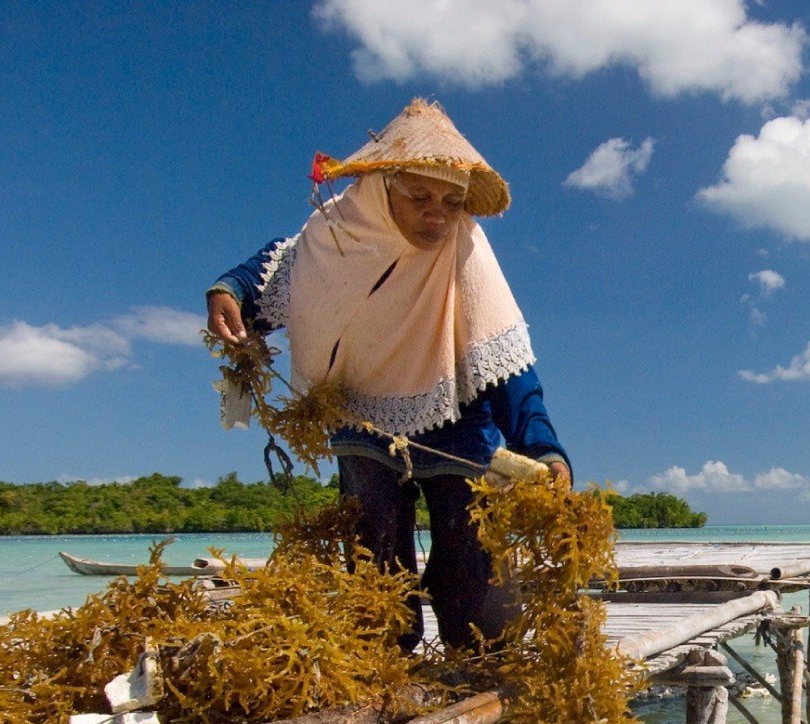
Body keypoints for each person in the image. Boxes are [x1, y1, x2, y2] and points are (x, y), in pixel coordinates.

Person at [205, 99, 570, 651]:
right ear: (381, 189)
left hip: (458, 427)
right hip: (363, 425)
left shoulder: (464, 249)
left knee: (477, 600)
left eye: (452, 201)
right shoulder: (333, 236)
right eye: (419, 197)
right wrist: (227, 292)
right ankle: (385, 695)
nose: (438, 215)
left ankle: (479, 691)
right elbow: (268, 273)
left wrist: (543, 448)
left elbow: (507, 364)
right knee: (378, 592)